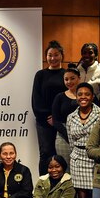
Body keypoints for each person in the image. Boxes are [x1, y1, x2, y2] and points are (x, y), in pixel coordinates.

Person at [66, 82, 100, 198]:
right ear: (76, 96)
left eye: (87, 94)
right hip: (78, 158)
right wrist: (76, 154)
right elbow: (70, 141)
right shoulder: (71, 117)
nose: (83, 97)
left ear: (92, 97)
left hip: (95, 159)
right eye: (80, 94)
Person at [31, 40, 66, 175]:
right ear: (46, 57)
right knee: (45, 153)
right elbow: (36, 101)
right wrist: (48, 117)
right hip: (44, 122)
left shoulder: (66, 74)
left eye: (56, 55)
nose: (53, 58)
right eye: (50, 55)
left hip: (62, 122)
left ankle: (62, 187)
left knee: (61, 154)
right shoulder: (40, 75)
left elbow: (69, 98)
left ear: (61, 56)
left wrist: (57, 118)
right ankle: (43, 187)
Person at [52, 67, 80, 165]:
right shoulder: (59, 97)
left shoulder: (86, 95)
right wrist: (68, 135)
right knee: (65, 169)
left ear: (79, 78)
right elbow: (56, 121)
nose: (69, 82)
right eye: (66, 79)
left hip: (83, 137)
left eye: (72, 78)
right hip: (63, 137)